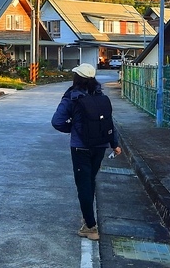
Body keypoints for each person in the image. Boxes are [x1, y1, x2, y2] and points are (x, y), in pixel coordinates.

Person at [51, 63, 122, 241]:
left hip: (80, 147)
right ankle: (88, 217)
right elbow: (108, 122)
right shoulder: (100, 95)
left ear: (77, 78)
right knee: (89, 181)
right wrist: (114, 143)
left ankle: (90, 226)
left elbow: (57, 121)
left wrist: (74, 128)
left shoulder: (72, 97)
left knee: (83, 184)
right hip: (100, 146)